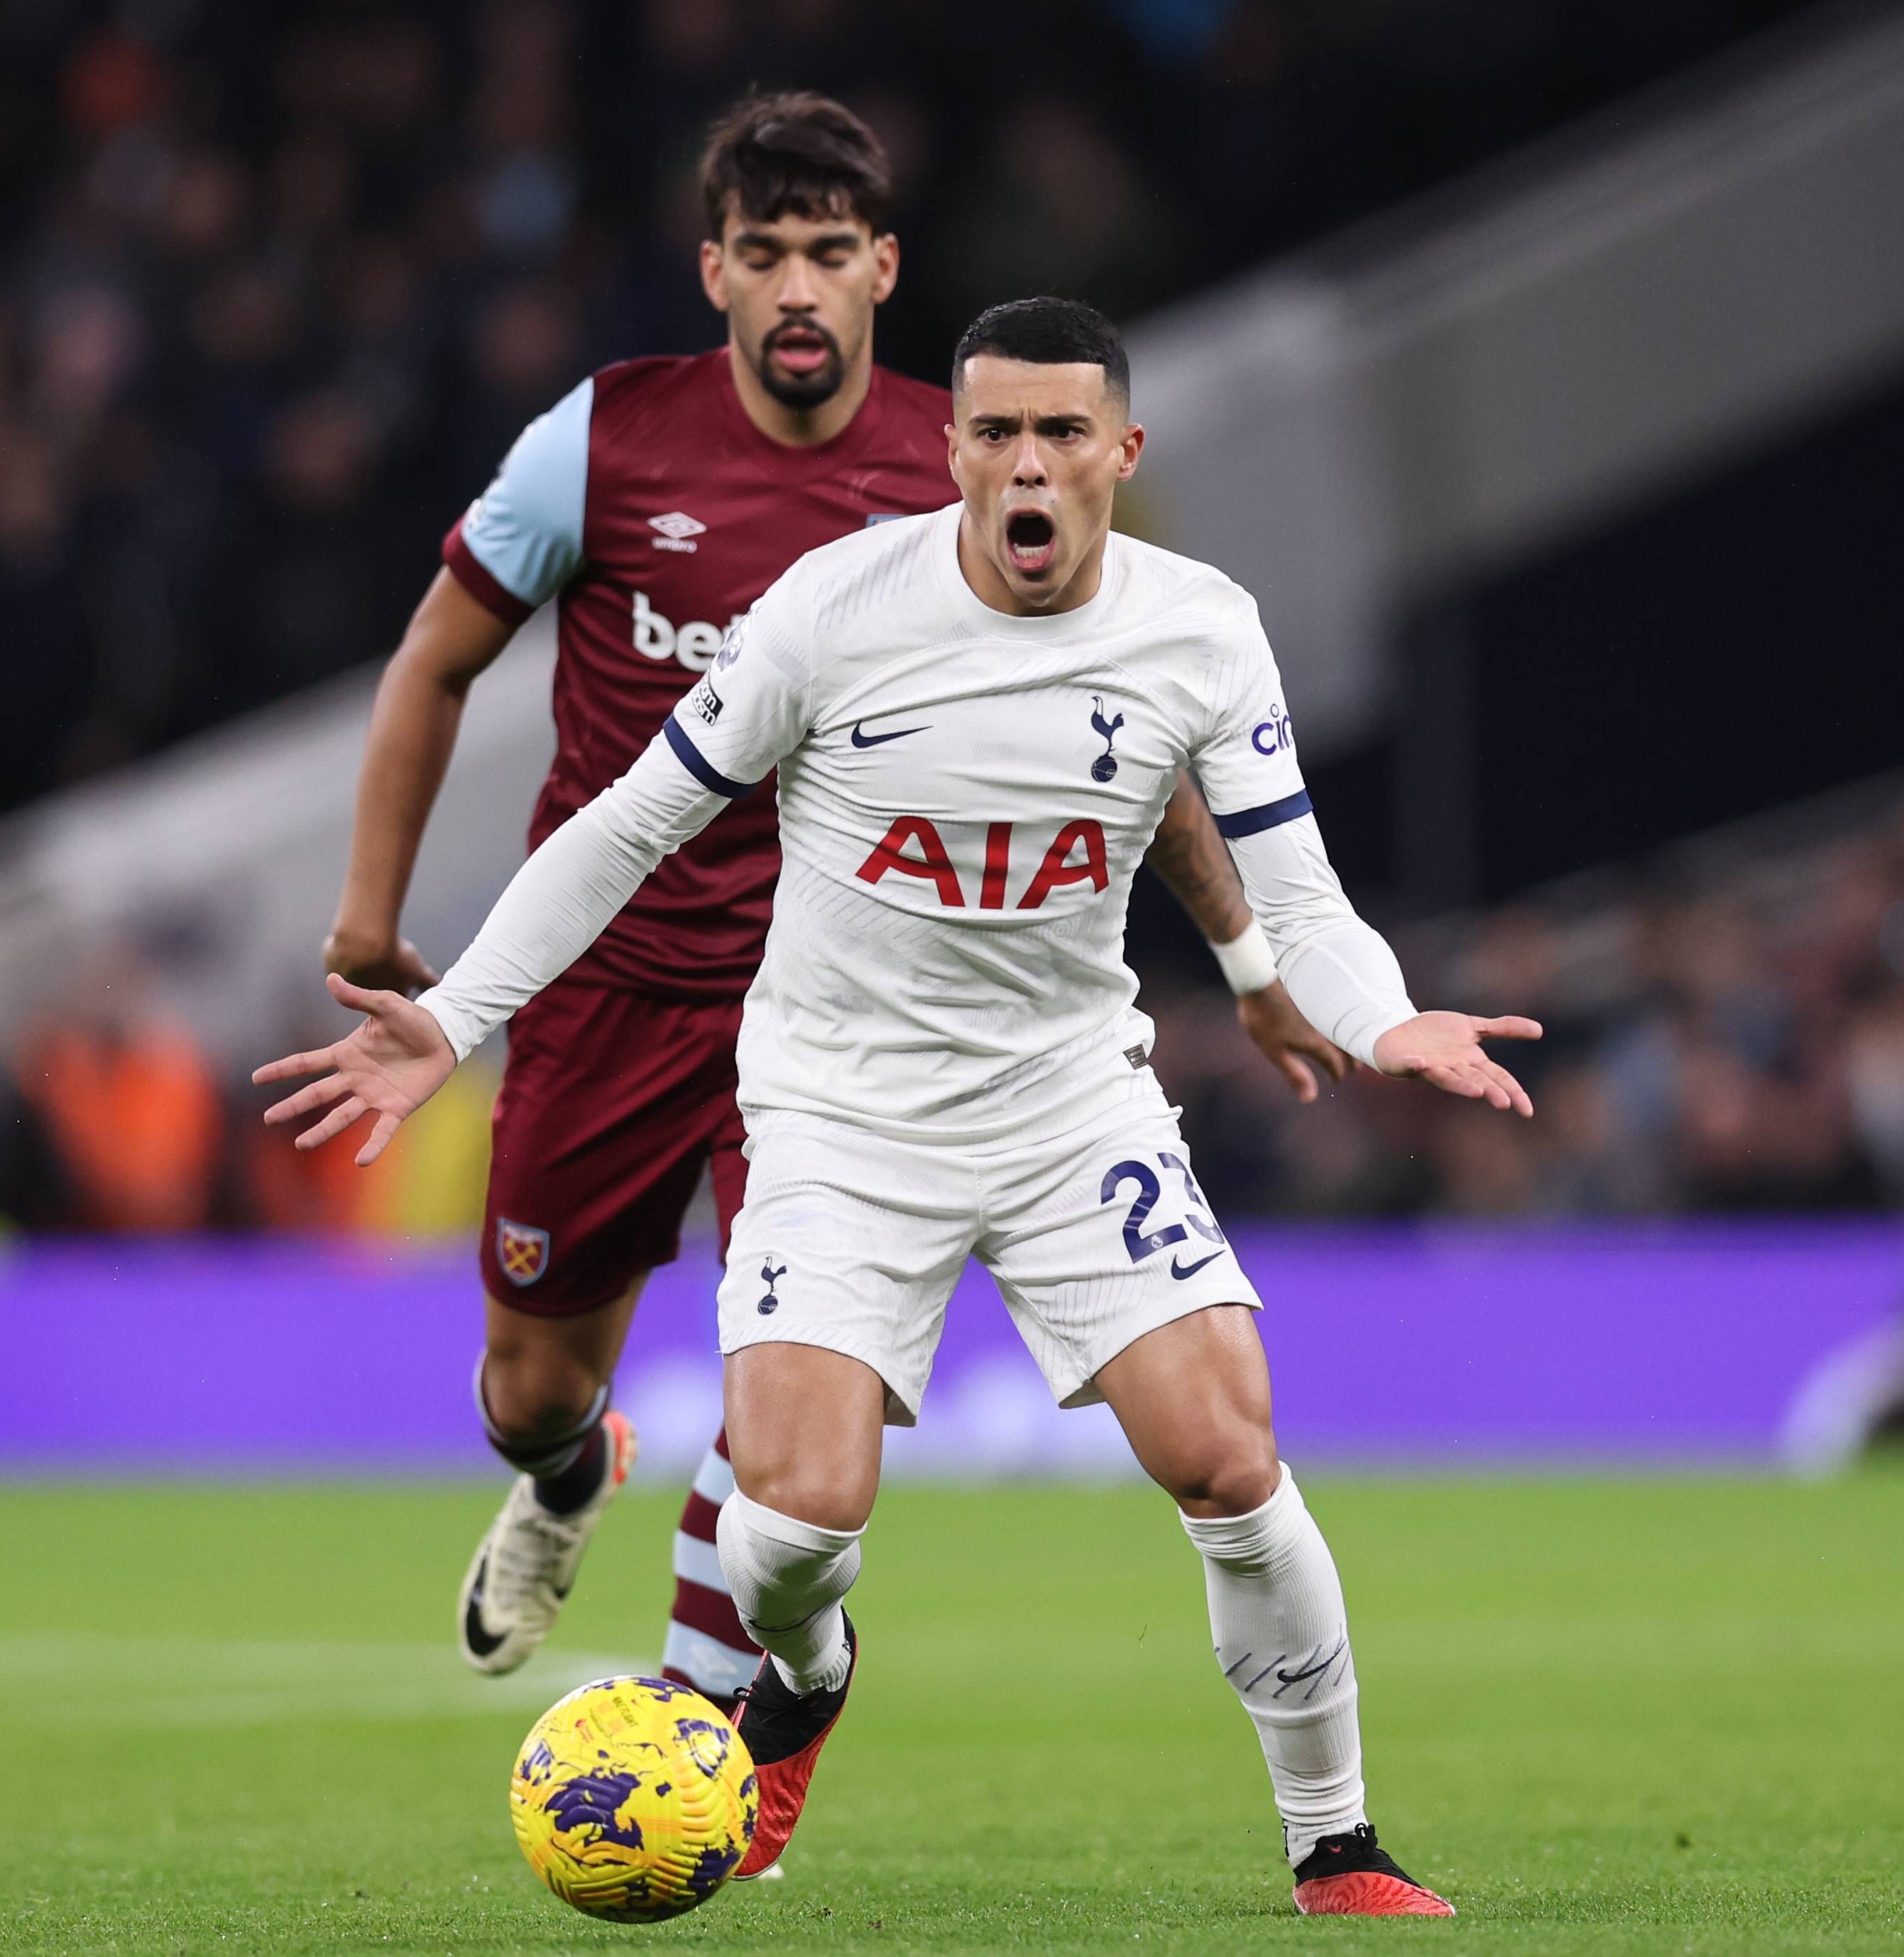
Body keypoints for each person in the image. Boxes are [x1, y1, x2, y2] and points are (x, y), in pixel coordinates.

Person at [261, 298, 1539, 1915]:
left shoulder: (1201, 625)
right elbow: (622, 828)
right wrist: (454, 1018)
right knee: (792, 1526)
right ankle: (808, 1668)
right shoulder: (830, 610)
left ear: (1119, 457)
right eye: (995, 430)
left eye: (1062, 433)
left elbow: (1301, 886)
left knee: (1226, 1454)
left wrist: (1386, 1013)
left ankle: (1337, 1843)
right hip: (841, 1114)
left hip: (1074, 1104)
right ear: (950, 452)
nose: (1027, 460)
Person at [319, 95, 1346, 1704]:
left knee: (792, 1405)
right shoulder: (600, 443)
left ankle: (698, 1722)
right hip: (609, 986)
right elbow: (434, 661)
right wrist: (374, 921)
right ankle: (570, 1472)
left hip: (836, 1014)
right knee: (527, 1384)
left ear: (881, 269)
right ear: (715, 270)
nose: (798, 288)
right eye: (765, 255)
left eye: (827, 255)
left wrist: (1251, 951)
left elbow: (1125, 743)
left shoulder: (977, 460)